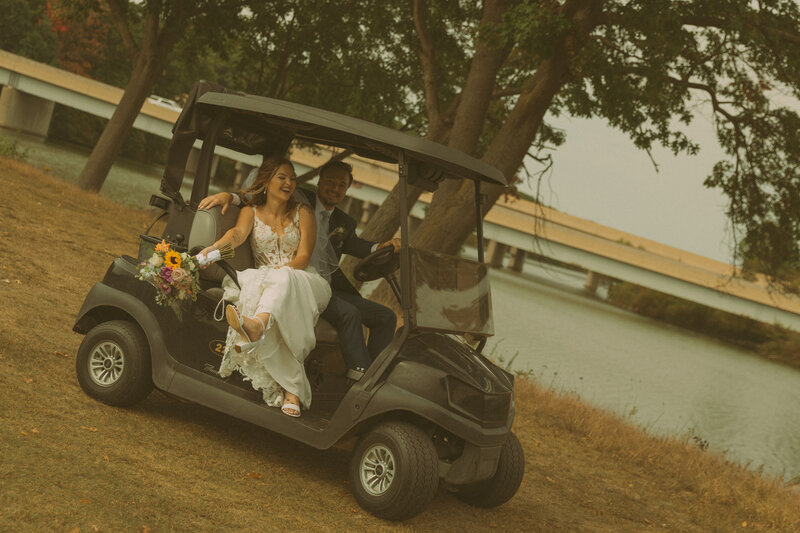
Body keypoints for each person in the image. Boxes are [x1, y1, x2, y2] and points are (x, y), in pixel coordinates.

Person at [199, 160, 400, 379]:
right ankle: (360, 375)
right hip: (293, 280)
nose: (335, 188)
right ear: (319, 181)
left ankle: (377, 375)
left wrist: (380, 247)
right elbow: (255, 197)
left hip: (321, 283)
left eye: (342, 185)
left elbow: (355, 245)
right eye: (330, 181)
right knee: (349, 314)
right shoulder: (296, 197)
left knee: (387, 316)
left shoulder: (344, 222)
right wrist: (230, 197)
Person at [198, 156, 331, 418]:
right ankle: (292, 391)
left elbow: (303, 257)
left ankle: (257, 325)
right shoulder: (251, 211)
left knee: (281, 281)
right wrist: (213, 250)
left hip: (304, 280)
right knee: (277, 298)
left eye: (292, 178)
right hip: (267, 282)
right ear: (267, 181)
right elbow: (236, 236)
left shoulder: (303, 213)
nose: (289, 182)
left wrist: (278, 274)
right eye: (282, 177)